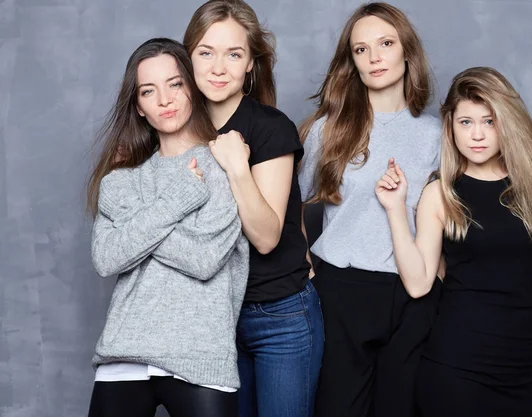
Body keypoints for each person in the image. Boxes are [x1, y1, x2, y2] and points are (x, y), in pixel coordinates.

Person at [375, 66, 532, 416]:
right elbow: (418, 284)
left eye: (488, 122)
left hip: (524, 365)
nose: (476, 135)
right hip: (457, 364)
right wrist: (395, 209)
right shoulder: (441, 194)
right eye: (465, 122)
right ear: (450, 126)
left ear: (506, 124)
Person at [86, 37, 249, 417]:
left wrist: (136, 221)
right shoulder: (121, 180)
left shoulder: (225, 163)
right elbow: (107, 259)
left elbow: (205, 260)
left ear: (191, 87)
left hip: (201, 356)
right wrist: (177, 200)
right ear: (139, 107)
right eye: (148, 91)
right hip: (124, 353)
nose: (165, 99)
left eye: (175, 84)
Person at [297, 3, 442, 417]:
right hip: (342, 291)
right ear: (353, 62)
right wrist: (303, 261)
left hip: (414, 295)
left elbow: (450, 220)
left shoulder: (438, 135)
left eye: (385, 43)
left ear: (407, 52)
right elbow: (288, 200)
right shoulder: (330, 128)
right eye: (361, 49)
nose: (375, 56)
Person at [183, 2, 324, 416]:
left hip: (280, 316)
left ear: (250, 66)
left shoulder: (269, 126)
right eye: (206, 52)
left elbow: (265, 238)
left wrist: (237, 167)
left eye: (234, 54)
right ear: (188, 57)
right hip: (215, 319)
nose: (218, 67)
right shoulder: (179, 128)